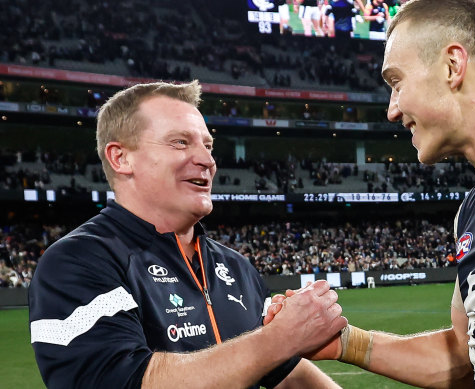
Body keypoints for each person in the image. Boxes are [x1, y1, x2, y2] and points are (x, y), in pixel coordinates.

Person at [269, 0, 475, 387]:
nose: (392, 110)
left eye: (396, 83)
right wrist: (343, 344)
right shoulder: (470, 211)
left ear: (453, 65)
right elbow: (465, 354)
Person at [28, 80, 348, 388]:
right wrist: (280, 337)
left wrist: (287, 341)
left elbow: (287, 373)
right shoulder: (76, 262)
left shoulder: (236, 267)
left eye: (208, 145)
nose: (207, 161)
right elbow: (126, 381)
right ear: (121, 157)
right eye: (181, 142)